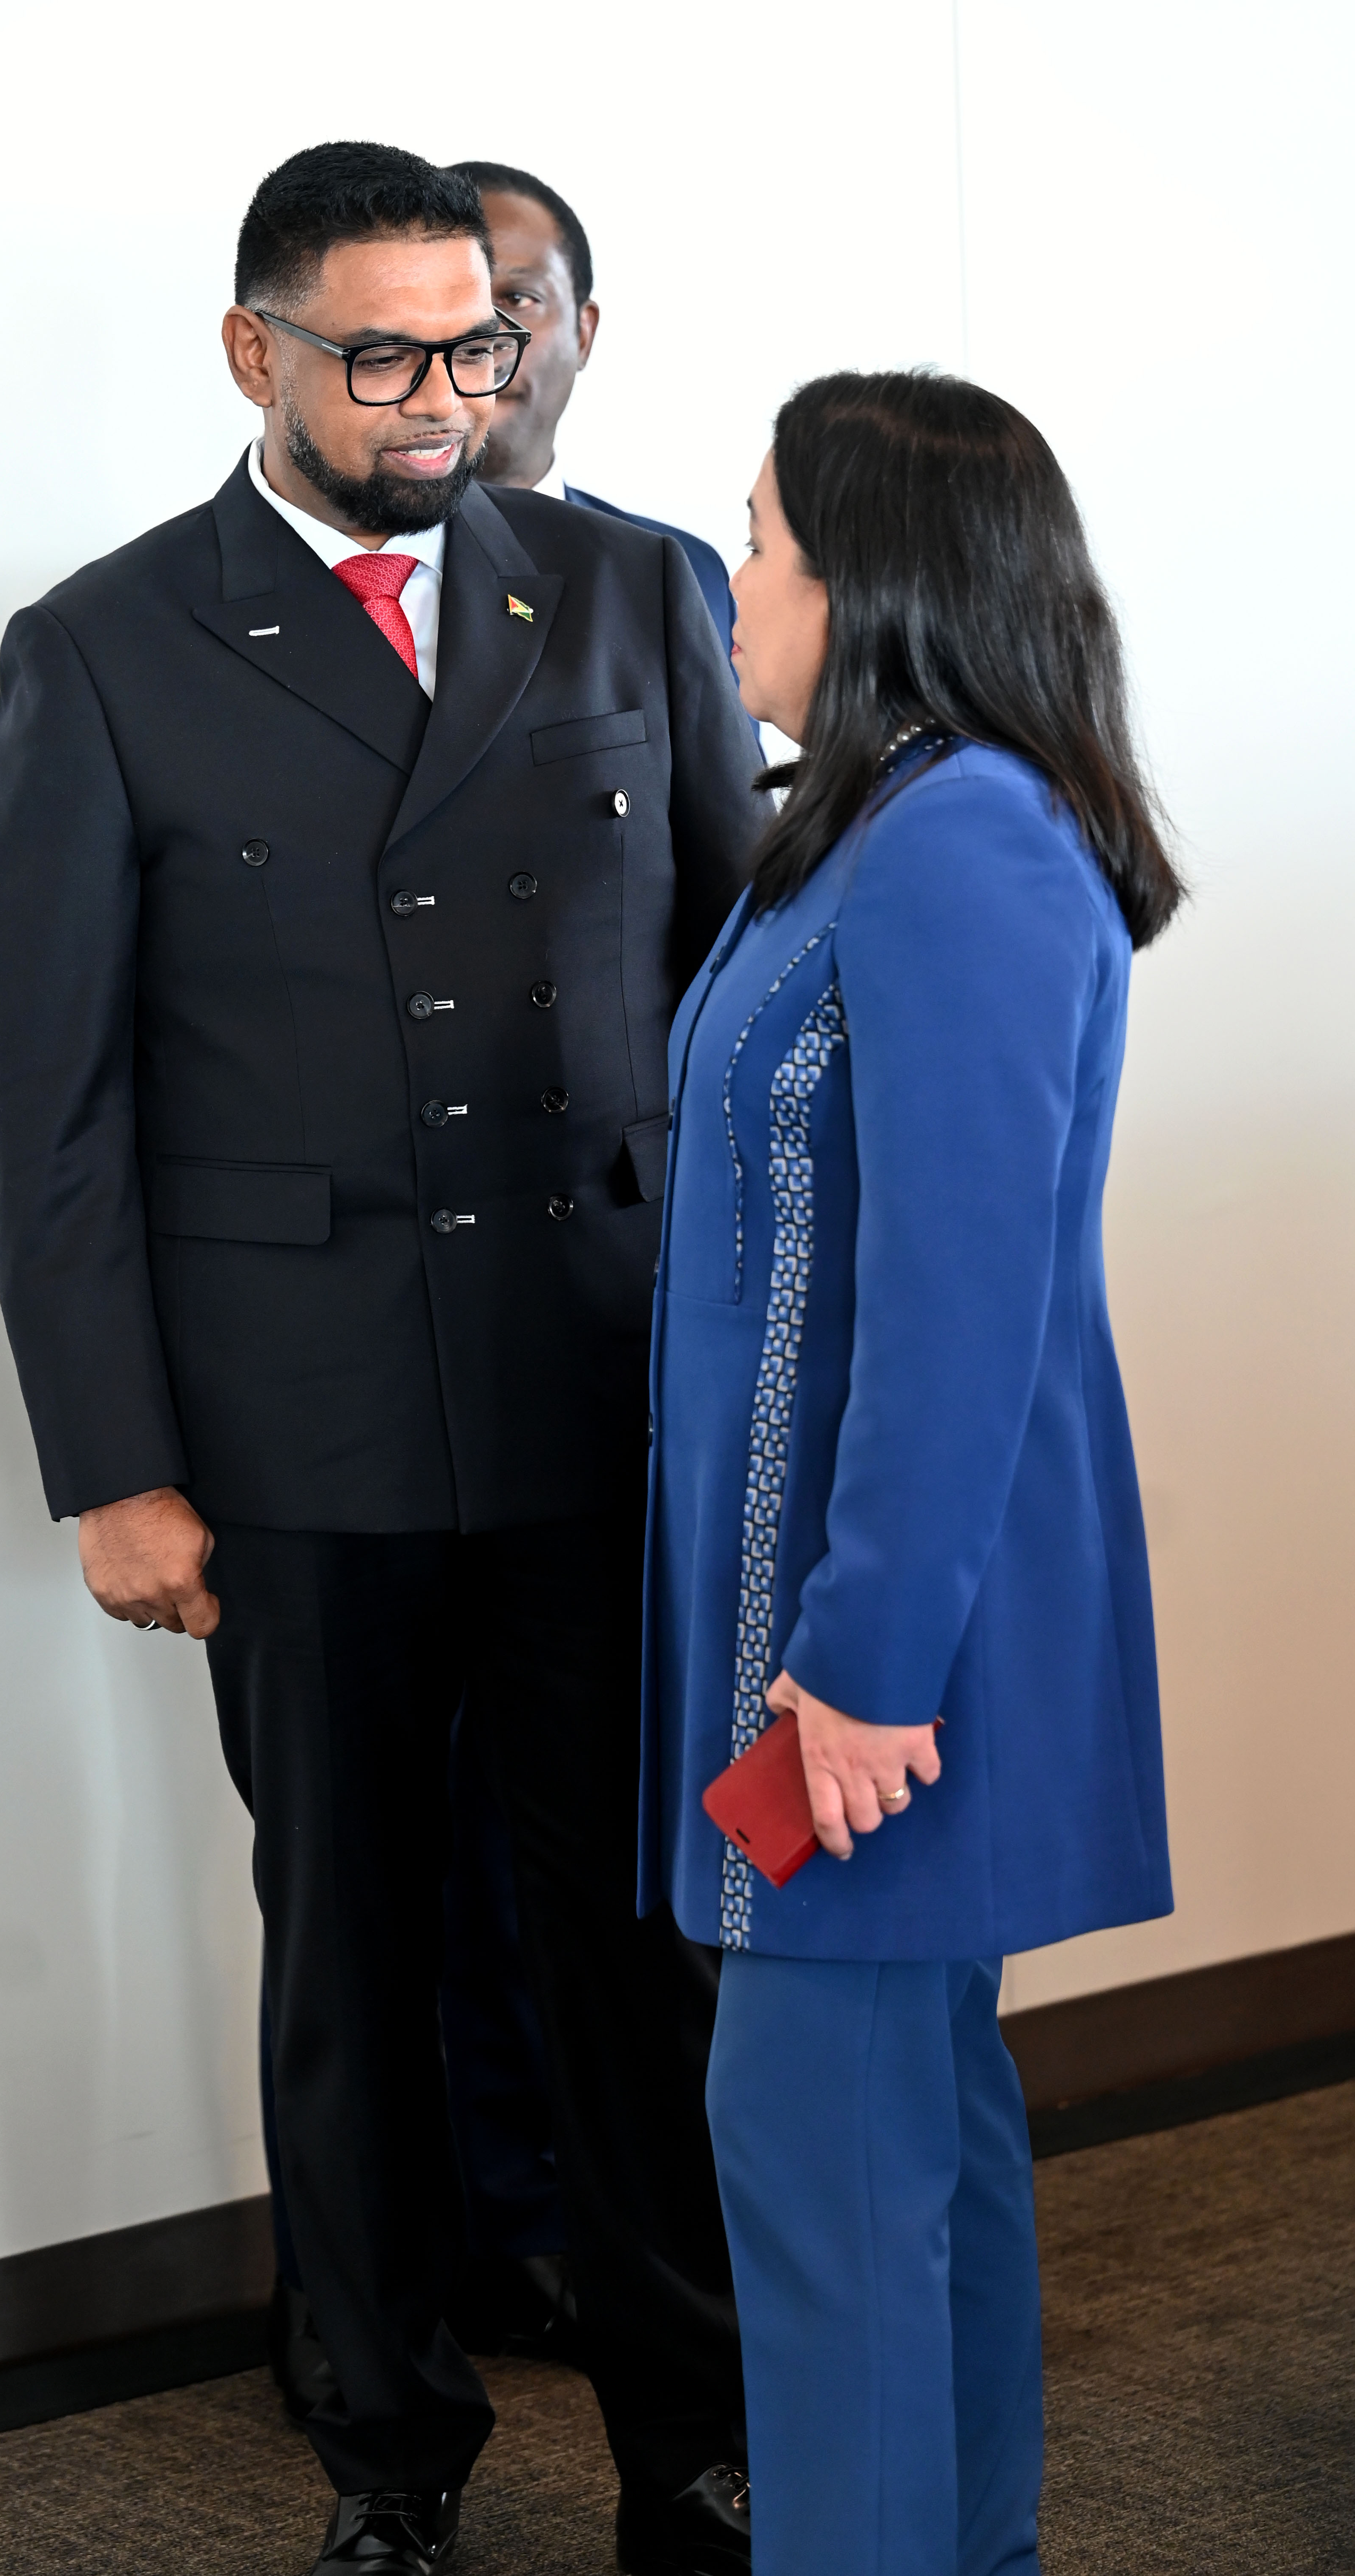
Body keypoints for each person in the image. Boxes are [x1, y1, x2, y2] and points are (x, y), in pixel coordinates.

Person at [0, 143, 755, 2576]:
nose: (441, 394)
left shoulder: (634, 588)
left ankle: (688, 2441)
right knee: (356, 1959)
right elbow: (50, 1105)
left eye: (476, 343)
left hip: (598, 1399)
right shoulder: (101, 646)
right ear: (255, 354)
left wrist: (771, 1403)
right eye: (384, 353)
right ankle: (390, 2451)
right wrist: (113, 1460)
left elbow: (736, 1007)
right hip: (291, 1433)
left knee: (632, 1961)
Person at [640, 370, 1182, 2576]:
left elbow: (961, 1305)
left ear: (866, 581)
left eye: (756, 536)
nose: (732, 578)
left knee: (828, 2179)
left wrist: (851, 1672)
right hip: (837, 1641)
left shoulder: (956, 837)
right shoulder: (884, 818)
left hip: (867, 1674)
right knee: (901, 2158)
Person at [452, 158, 741, 661]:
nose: (485, 343)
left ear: (583, 334)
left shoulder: (681, 577)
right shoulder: (322, 566)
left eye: (518, 299)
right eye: (453, 302)